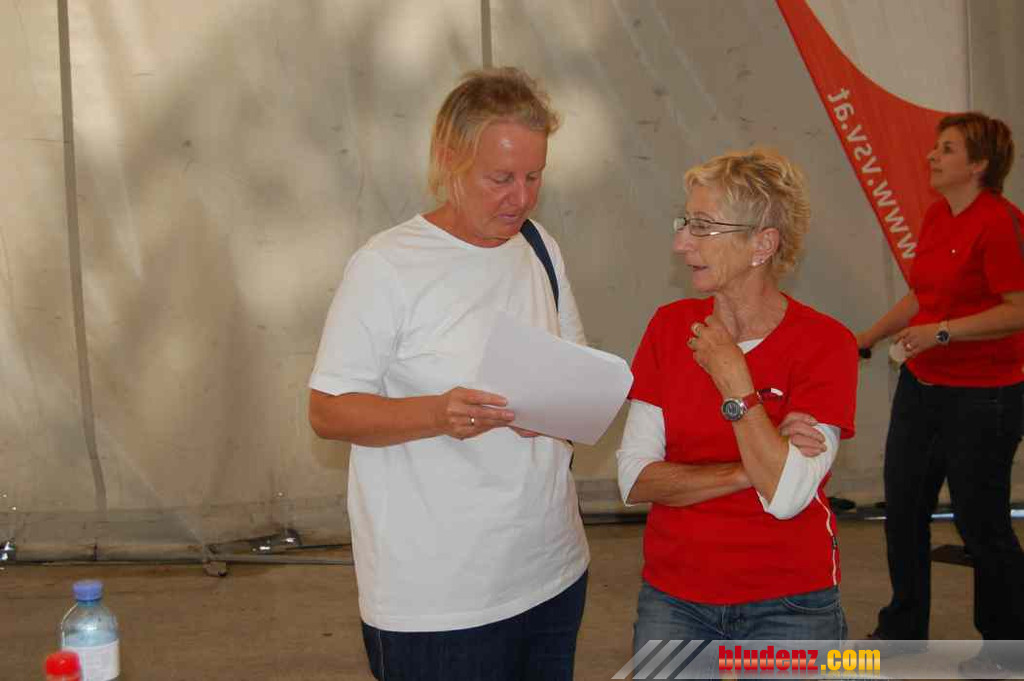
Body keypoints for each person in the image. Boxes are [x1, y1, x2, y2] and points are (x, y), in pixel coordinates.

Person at [308, 67, 589, 681]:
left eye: (534, 176)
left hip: (552, 570)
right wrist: (438, 413)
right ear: (447, 160)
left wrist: (558, 411)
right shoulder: (387, 266)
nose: (521, 198)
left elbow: (572, 375)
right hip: (440, 599)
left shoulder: (540, 247)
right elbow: (327, 411)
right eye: (500, 178)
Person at [617, 147, 858, 655]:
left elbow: (788, 498)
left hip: (791, 601)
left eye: (703, 227)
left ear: (762, 243)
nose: (681, 242)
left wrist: (735, 382)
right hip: (674, 595)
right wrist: (752, 469)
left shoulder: (827, 344)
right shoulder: (668, 328)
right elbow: (635, 480)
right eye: (685, 222)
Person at [856, 112, 1024, 671]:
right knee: (903, 510)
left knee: (981, 523)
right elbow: (921, 297)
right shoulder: (936, 216)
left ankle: (1006, 646)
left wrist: (944, 332)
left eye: (947, 149)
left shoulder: (1000, 223)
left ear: (979, 165)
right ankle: (903, 628)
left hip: (985, 397)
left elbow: (1018, 310)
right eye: (936, 147)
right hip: (923, 386)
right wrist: (867, 337)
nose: (932, 155)